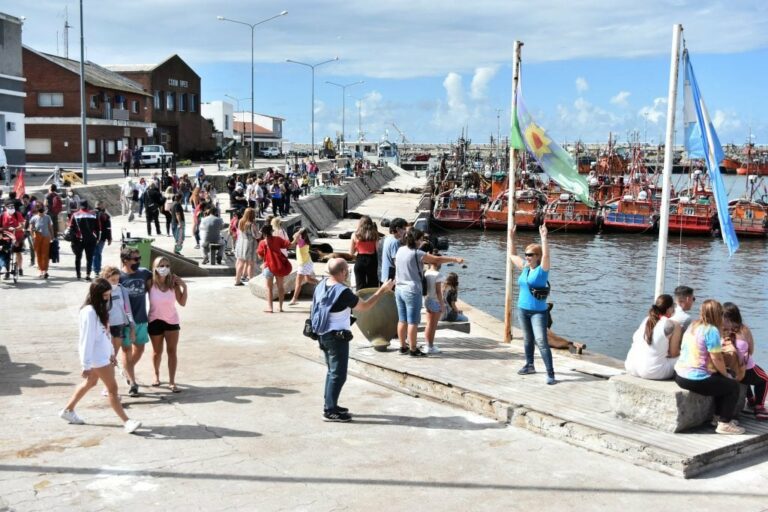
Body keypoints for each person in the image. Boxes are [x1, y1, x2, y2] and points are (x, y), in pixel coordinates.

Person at [310, 258, 394, 421]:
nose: (348, 272)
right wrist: (382, 290)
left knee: (331, 371)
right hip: (336, 338)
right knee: (338, 374)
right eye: (346, 270)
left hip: (322, 334)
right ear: (341, 272)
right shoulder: (342, 292)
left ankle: (330, 404)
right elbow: (365, 306)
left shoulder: (322, 284)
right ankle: (329, 411)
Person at [58, 278, 142, 434]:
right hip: (97, 358)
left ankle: (68, 410)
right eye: (105, 295)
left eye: (109, 295)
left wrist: (111, 352)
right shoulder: (89, 312)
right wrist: (86, 364)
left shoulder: (99, 310)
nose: (107, 298)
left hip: (102, 355)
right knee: (113, 388)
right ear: (96, 295)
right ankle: (127, 421)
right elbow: (86, 339)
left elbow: (104, 334)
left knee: (91, 383)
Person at [674, 300, 745, 435]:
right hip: (695, 378)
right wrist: (726, 374)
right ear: (718, 314)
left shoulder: (694, 325)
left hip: (680, 374)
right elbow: (717, 358)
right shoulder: (711, 330)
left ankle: (717, 417)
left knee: (721, 380)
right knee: (732, 385)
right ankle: (724, 423)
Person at [394, 229, 464, 357]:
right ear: (415, 240)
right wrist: (454, 259)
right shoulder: (417, 253)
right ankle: (413, 349)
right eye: (420, 239)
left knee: (402, 320)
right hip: (411, 290)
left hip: (399, 288)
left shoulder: (400, 250)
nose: (421, 242)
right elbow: (436, 260)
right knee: (413, 322)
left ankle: (402, 347)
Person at [509, 225, 556, 385]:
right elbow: (512, 254)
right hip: (522, 309)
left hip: (538, 313)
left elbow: (547, 255)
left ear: (538, 256)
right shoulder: (524, 268)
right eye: (526, 254)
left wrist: (544, 237)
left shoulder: (542, 271)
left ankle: (550, 373)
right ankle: (530, 365)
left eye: (530, 255)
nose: (527, 257)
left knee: (541, 341)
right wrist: (511, 237)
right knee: (528, 340)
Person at [148, 257, 188, 392]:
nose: (164, 268)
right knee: (156, 352)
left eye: (166, 265)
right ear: (154, 267)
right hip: (154, 320)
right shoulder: (150, 283)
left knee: (172, 351)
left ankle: (172, 381)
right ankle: (156, 375)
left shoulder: (173, 283)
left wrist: (184, 287)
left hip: (171, 321)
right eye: (161, 265)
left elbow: (182, 303)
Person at [722, 302, 768, 420]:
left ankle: (751, 399)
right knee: (764, 379)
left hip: (727, 370)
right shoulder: (744, 329)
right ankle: (759, 407)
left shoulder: (720, 330)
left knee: (742, 375)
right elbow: (751, 350)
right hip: (745, 370)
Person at [119, 247, 153, 397]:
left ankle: (127, 369)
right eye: (135, 259)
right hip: (124, 322)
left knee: (139, 350)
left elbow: (156, 284)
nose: (138, 262)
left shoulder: (144, 273)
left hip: (140, 319)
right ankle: (133, 383)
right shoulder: (118, 277)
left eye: (139, 259)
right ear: (125, 260)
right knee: (126, 351)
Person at [624, 294, 682, 380]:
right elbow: (674, 354)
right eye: (674, 306)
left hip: (630, 366)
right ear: (669, 309)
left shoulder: (646, 320)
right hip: (653, 371)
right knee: (685, 357)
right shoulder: (673, 325)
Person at [101, 266, 135, 381]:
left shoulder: (122, 290)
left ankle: (110, 382)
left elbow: (128, 309)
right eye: (113, 280)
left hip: (120, 325)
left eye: (117, 279)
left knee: (113, 356)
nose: (116, 282)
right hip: (106, 328)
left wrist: (132, 327)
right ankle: (108, 383)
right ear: (106, 279)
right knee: (107, 356)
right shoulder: (101, 291)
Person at [256, 224, 293, 313]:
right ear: (271, 231)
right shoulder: (277, 239)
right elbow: (288, 245)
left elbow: (260, 257)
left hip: (268, 267)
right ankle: (280, 307)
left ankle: (270, 308)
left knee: (269, 288)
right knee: (280, 287)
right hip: (278, 266)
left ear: (264, 234)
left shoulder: (262, 243)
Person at [68, 200, 99, 281]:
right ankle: (88, 275)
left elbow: (71, 227)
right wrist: (97, 238)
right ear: (87, 205)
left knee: (78, 257)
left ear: (80, 205)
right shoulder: (93, 214)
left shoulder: (75, 215)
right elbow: (98, 228)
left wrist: (74, 237)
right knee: (89, 258)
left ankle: (78, 274)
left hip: (79, 239)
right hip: (91, 239)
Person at [350, 215, 379, 291]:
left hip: (360, 260)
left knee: (360, 286)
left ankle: (360, 302)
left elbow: (351, 252)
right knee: (373, 286)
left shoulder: (355, 235)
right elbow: (377, 249)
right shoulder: (374, 235)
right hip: (372, 260)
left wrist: (357, 247)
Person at [289, 228, 318, 304]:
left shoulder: (301, 241)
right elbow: (295, 236)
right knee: (308, 279)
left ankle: (294, 299)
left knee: (298, 283)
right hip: (308, 263)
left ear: (300, 234)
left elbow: (294, 236)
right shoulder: (305, 241)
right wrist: (301, 231)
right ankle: (321, 283)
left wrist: (299, 231)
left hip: (304, 264)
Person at [424, 260, 446, 354]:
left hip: (427, 300)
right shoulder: (438, 275)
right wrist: (442, 304)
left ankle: (427, 345)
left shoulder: (426, 273)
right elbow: (438, 291)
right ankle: (430, 346)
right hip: (435, 301)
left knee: (428, 324)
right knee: (433, 326)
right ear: (438, 263)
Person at [0, 200, 26, 279]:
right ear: (5, 207)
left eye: (12, 206)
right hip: (6, 238)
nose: (11, 208)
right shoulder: (2, 215)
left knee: (18, 253)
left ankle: (20, 268)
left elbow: (22, 226)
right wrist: (5, 229)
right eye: (9, 207)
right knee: (6, 252)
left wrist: (14, 228)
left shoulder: (17, 214)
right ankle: (6, 271)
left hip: (17, 237)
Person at [234, 208, 258, 285]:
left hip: (241, 242)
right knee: (251, 263)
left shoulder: (240, 221)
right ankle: (252, 281)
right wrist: (260, 233)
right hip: (249, 244)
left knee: (240, 262)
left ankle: (237, 280)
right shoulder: (251, 224)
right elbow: (256, 235)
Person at [379, 217, 407, 283]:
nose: (405, 231)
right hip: (390, 277)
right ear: (397, 229)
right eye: (404, 229)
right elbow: (396, 262)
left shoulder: (387, 238)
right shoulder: (395, 242)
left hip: (384, 275)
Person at [29, 204, 53, 279]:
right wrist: (33, 236)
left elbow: (50, 227)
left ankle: (45, 271)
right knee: (38, 255)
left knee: (45, 255)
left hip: (46, 237)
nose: (41, 212)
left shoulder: (47, 217)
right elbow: (30, 228)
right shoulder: (34, 218)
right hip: (37, 237)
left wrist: (53, 236)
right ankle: (40, 271)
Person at [92, 201, 112, 276]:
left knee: (96, 253)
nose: (104, 206)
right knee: (98, 253)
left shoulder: (90, 214)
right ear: (101, 206)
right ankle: (97, 269)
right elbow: (108, 228)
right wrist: (109, 238)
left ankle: (97, 269)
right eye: (103, 205)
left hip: (93, 237)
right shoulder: (105, 216)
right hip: (102, 238)